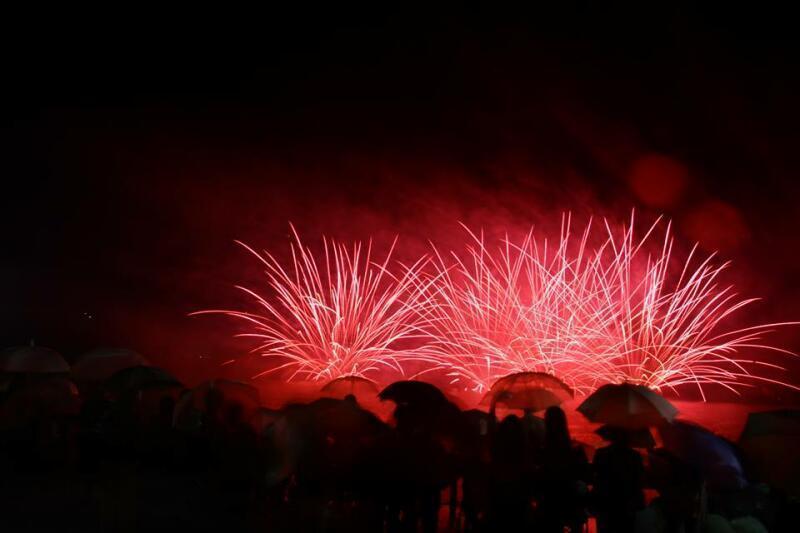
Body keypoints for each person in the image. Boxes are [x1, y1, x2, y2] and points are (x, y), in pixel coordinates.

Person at [536, 406, 590, 532]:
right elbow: (585, 476)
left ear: (546, 424)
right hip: (571, 506)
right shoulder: (575, 450)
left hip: (548, 507)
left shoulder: (542, 451)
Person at [592, 426, 645, 533]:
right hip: (627, 505)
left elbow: (596, 477)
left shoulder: (601, 454)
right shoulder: (635, 456)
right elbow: (639, 481)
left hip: (605, 504)